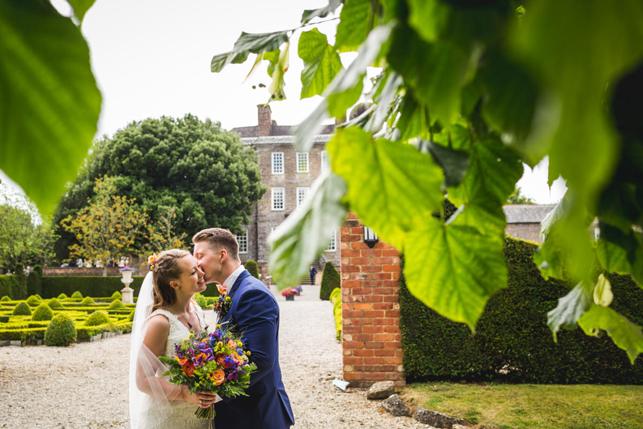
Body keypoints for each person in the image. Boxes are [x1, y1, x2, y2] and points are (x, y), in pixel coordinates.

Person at [193, 228, 294, 429]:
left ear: (222, 255)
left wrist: (215, 393)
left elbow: (261, 360)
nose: (196, 263)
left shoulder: (252, 294)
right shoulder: (233, 291)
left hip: (255, 415)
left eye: (200, 256)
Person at [129, 249, 218, 429]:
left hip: (199, 416)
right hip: (168, 419)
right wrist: (185, 393)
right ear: (175, 284)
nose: (202, 273)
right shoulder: (160, 322)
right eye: (193, 272)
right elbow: (142, 380)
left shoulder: (197, 311)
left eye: (198, 267)